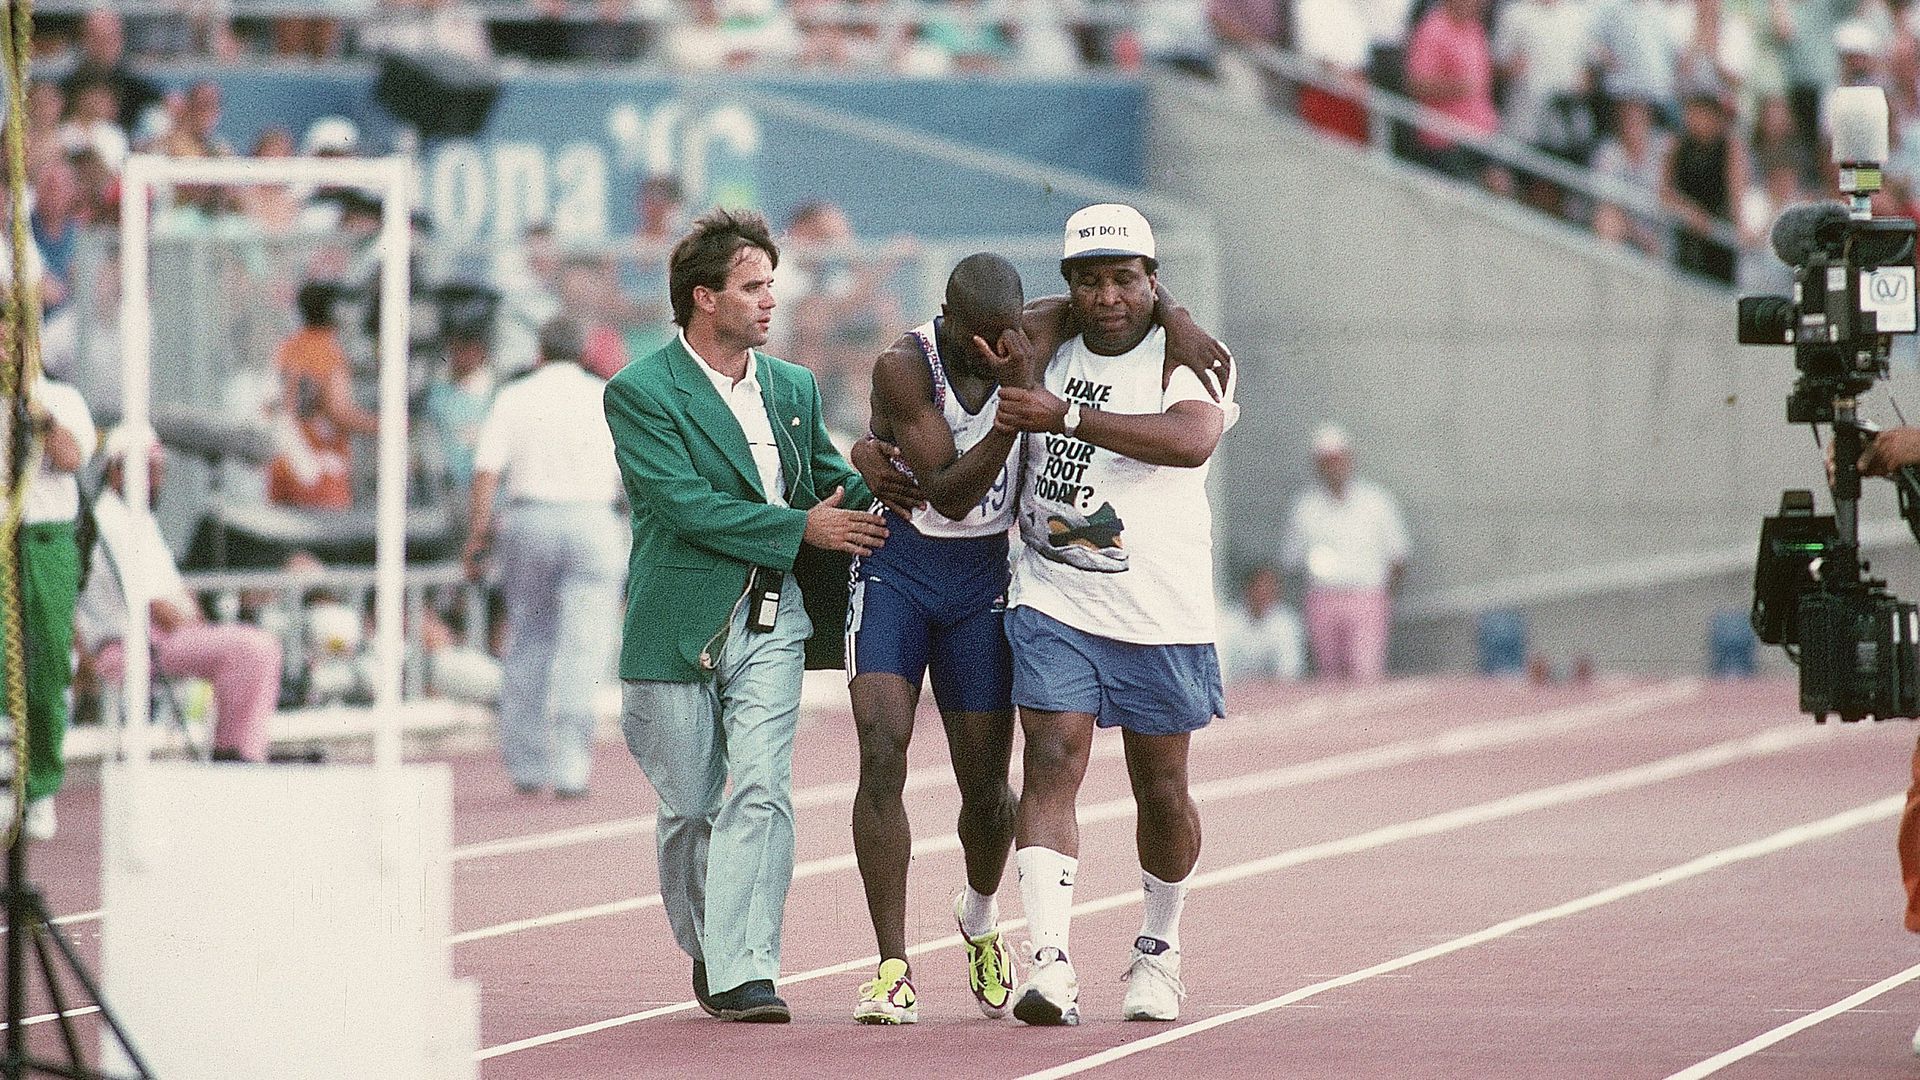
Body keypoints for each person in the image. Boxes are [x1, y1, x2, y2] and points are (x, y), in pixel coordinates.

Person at [601, 208, 887, 1023]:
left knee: (762, 785)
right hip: (678, 621)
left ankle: (745, 966)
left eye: (773, 284)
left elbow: (835, 478)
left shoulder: (791, 387)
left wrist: (915, 485)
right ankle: (710, 947)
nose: (771, 300)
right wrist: (803, 527)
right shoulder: (640, 393)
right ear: (703, 298)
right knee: (689, 806)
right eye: (752, 287)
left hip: (775, 615)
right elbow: (684, 505)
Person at [991, 203, 1238, 1026]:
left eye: (1126, 280)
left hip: (1159, 607)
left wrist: (1065, 414)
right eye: (1091, 282)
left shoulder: (1190, 356)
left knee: (1161, 790)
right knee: (1052, 753)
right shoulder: (1044, 338)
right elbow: (996, 322)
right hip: (1055, 593)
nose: (1109, 298)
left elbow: (1191, 440)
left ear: (1153, 281)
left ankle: (1158, 950)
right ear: (1068, 288)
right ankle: (1049, 961)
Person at [844, 253, 1033, 1024]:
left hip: (982, 583)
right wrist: (1015, 412)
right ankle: (892, 965)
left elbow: (1134, 308)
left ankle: (981, 918)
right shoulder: (904, 366)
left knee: (987, 791)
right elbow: (950, 495)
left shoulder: (1029, 341)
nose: (997, 348)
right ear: (949, 324)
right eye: (981, 335)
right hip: (899, 568)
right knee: (882, 748)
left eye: (1008, 334)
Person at [462, 315, 626, 799]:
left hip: (528, 517)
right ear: (582, 352)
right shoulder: (603, 396)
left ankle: (528, 762)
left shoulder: (515, 396)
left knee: (528, 639)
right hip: (592, 518)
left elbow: (487, 470)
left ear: (540, 351)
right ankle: (573, 764)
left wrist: (477, 537)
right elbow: (629, 472)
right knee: (585, 647)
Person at [78, 427, 281, 765]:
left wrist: (198, 624)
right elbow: (159, 608)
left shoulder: (138, 518)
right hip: (129, 645)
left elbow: (176, 591)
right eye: (148, 469)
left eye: (159, 470)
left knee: (253, 644)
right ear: (116, 471)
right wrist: (199, 627)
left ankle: (238, 749)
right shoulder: (110, 520)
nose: (157, 480)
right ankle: (234, 755)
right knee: (252, 648)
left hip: (164, 638)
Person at [0, 370, 92, 841]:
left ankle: (39, 787)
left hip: (47, 540)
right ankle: (5, 782)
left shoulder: (60, 397)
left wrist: (37, 411)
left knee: (48, 668)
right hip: (1, 542)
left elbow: (71, 456)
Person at [1280, 424, 1409, 682]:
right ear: (1317, 466)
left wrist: (1384, 598)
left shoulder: (1376, 502)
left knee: (1365, 673)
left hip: (1367, 597)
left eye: (1338, 460)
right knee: (1329, 675)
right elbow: (1290, 560)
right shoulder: (1305, 507)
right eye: (1326, 462)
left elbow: (1398, 556)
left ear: (1350, 459)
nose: (1333, 467)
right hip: (1323, 599)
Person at [266, 280, 379, 512]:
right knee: (326, 546)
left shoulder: (288, 348)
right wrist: (385, 425)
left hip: (285, 463)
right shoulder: (328, 352)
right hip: (320, 467)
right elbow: (338, 412)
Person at [1218, 564, 1306, 683]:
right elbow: (1221, 668)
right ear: (1248, 589)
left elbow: (1290, 670)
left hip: (1275, 693)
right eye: (1260, 588)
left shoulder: (1286, 623)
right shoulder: (1228, 621)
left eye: (1270, 589)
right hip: (1234, 691)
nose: (1264, 594)